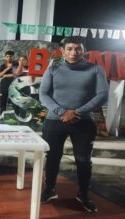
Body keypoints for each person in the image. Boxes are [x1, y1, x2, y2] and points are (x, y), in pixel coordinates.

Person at [39, 36, 109, 213]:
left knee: (84, 160)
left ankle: (83, 194)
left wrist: (77, 112)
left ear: (84, 51)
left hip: (83, 122)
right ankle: (50, 189)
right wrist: (62, 112)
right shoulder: (53, 68)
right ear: (62, 51)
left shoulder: (95, 69)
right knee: (52, 158)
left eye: (78, 49)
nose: (73, 52)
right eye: (69, 48)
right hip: (55, 121)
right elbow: (43, 94)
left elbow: (102, 95)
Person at [0, 50, 16, 118]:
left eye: (10, 56)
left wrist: (5, 75)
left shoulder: (16, 65)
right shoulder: (3, 65)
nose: (9, 58)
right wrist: (8, 68)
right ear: (5, 57)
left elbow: (16, 74)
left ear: (13, 57)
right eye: (7, 56)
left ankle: (16, 115)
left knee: (14, 101)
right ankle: (2, 114)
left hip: (14, 84)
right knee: (3, 100)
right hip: (4, 84)